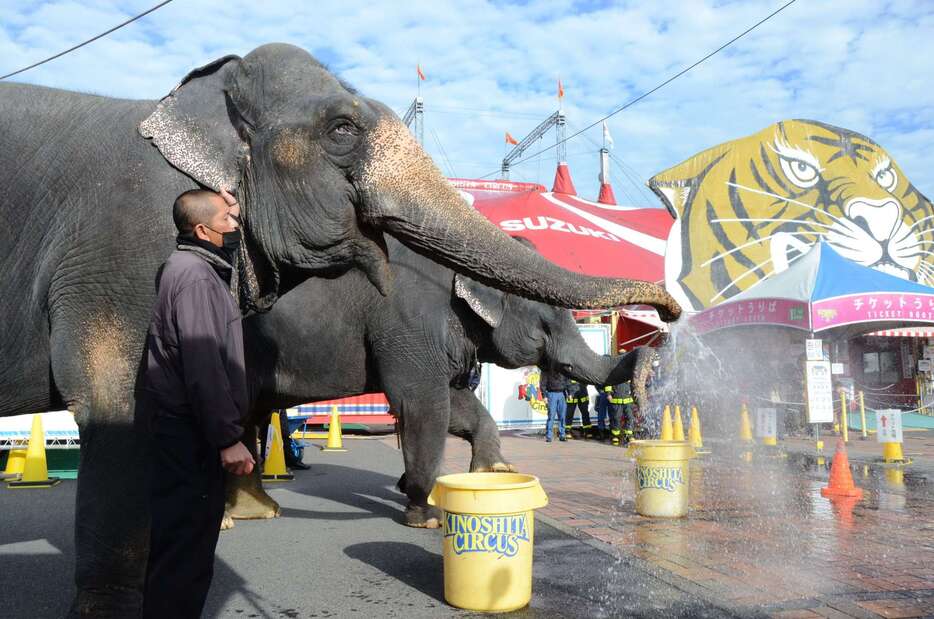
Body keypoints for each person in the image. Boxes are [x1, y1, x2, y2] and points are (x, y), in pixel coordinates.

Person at [140, 188, 256, 618]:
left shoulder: (189, 265)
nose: (235, 227)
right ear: (203, 231)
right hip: (189, 436)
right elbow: (203, 364)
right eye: (228, 221)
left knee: (181, 547)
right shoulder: (194, 277)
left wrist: (233, 206)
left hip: (184, 431)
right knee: (185, 553)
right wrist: (228, 438)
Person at [540, 365, 569, 442]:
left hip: (562, 394)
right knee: (551, 416)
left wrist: (570, 393)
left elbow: (567, 381)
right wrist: (544, 396)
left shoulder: (563, 368)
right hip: (551, 394)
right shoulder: (546, 368)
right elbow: (543, 383)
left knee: (562, 416)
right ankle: (549, 436)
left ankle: (562, 435)